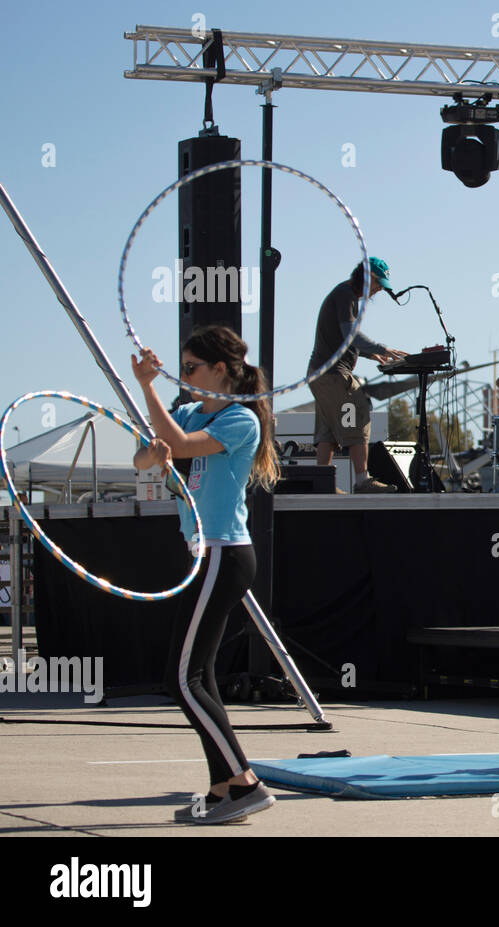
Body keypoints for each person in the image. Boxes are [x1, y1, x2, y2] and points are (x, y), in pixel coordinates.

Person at [131, 326, 280, 825]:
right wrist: (151, 456)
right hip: (200, 554)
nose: (185, 376)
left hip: (225, 553)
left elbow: (177, 443)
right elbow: (146, 455)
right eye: (182, 368)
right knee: (201, 674)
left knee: (181, 677)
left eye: (191, 368)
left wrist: (147, 386)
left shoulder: (240, 421)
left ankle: (246, 781)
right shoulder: (191, 412)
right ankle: (222, 789)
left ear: (221, 370)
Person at [308, 256, 409, 492]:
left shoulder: (344, 294)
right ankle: (362, 480)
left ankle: (323, 483)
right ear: (367, 277)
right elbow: (350, 333)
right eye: (377, 285)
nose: (377, 292)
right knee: (359, 410)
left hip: (319, 374)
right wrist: (381, 349)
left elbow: (341, 337)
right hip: (334, 374)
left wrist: (368, 354)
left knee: (329, 428)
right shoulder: (346, 295)